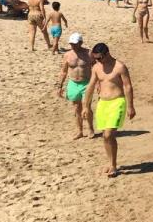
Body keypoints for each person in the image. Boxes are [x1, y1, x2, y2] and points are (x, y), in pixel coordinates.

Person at [82, 43, 136, 178]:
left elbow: (128, 87)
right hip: (102, 103)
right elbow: (90, 86)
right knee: (105, 137)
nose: (98, 61)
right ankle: (110, 162)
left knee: (108, 134)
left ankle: (113, 165)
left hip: (117, 102)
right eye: (95, 58)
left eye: (100, 58)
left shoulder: (120, 67)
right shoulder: (96, 67)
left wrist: (130, 106)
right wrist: (85, 106)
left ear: (107, 53)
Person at [57, 33, 94, 139]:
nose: (73, 46)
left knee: (87, 106)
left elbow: (96, 68)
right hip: (73, 83)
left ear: (81, 43)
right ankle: (79, 131)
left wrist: (98, 83)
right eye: (71, 44)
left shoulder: (89, 53)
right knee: (76, 108)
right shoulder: (67, 55)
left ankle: (90, 128)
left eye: (75, 44)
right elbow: (64, 71)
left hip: (86, 83)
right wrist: (60, 86)